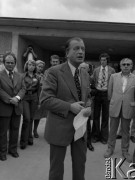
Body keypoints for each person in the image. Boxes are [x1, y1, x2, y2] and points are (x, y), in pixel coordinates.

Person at [40, 37, 91, 180]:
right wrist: (69, 107)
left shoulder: (85, 74)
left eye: (83, 49)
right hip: (59, 127)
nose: (80, 51)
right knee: (56, 169)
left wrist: (88, 107)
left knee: (80, 165)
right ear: (67, 53)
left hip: (80, 129)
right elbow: (45, 100)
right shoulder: (53, 72)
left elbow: (87, 97)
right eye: (76, 48)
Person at [104, 58, 135, 162]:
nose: (126, 66)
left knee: (125, 131)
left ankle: (125, 151)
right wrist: (115, 101)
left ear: (132, 66)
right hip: (115, 106)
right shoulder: (113, 77)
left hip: (128, 107)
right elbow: (109, 92)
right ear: (120, 66)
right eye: (124, 64)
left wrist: (132, 103)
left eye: (128, 64)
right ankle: (110, 148)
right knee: (113, 130)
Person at [0, 52, 26, 161]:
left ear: (15, 63)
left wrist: (17, 98)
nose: (10, 64)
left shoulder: (19, 76)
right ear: (3, 63)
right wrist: (10, 100)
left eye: (12, 62)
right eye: (8, 62)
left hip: (17, 107)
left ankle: (13, 150)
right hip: (4, 107)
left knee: (15, 130)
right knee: (2, 132)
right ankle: (2, 152)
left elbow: (23, 89)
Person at [91, 53, 115, 144]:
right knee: (96, 115)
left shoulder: (112, 70)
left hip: (106, 94)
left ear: (107, 61)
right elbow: (93, 80)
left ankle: (104, 137)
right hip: (97, 93)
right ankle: (95, 136)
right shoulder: (96, 70)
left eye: (104, 60)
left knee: (105, 116)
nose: (102, 61)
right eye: (101, 60)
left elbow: (114, 82)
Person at [20, 59, 40, 149]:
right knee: (26, 119)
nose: (31, 66)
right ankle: (23, 141)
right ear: (26, 66)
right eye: (29, 64)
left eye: (33, 65)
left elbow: (39, 90)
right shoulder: (22, 76)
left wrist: (39, 101)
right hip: (25, 98)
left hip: (34, 98)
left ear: (35, 67)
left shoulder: (37, 77)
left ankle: (30, 138)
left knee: (31, 118)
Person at [79, 62, 94, 151]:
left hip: (87, 104)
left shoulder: (90, 78)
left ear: (88, 69)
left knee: (87, 125)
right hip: (77, 104)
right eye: (81, 68)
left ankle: (88, 143)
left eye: (85, 68)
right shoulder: (74, 77)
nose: (83, 70)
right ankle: (78, 142)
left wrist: (89, 99)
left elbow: (94, 89)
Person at [33, 60, 46, 138]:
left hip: (40, 98)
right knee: (31, 116)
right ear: (35, 66)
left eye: (42, 67)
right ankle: (28, 132)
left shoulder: (43, 76)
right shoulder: (32, 75)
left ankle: (35, 130)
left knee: (38, 116)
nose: (40, 68)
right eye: (39, 66)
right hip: (33, 96)